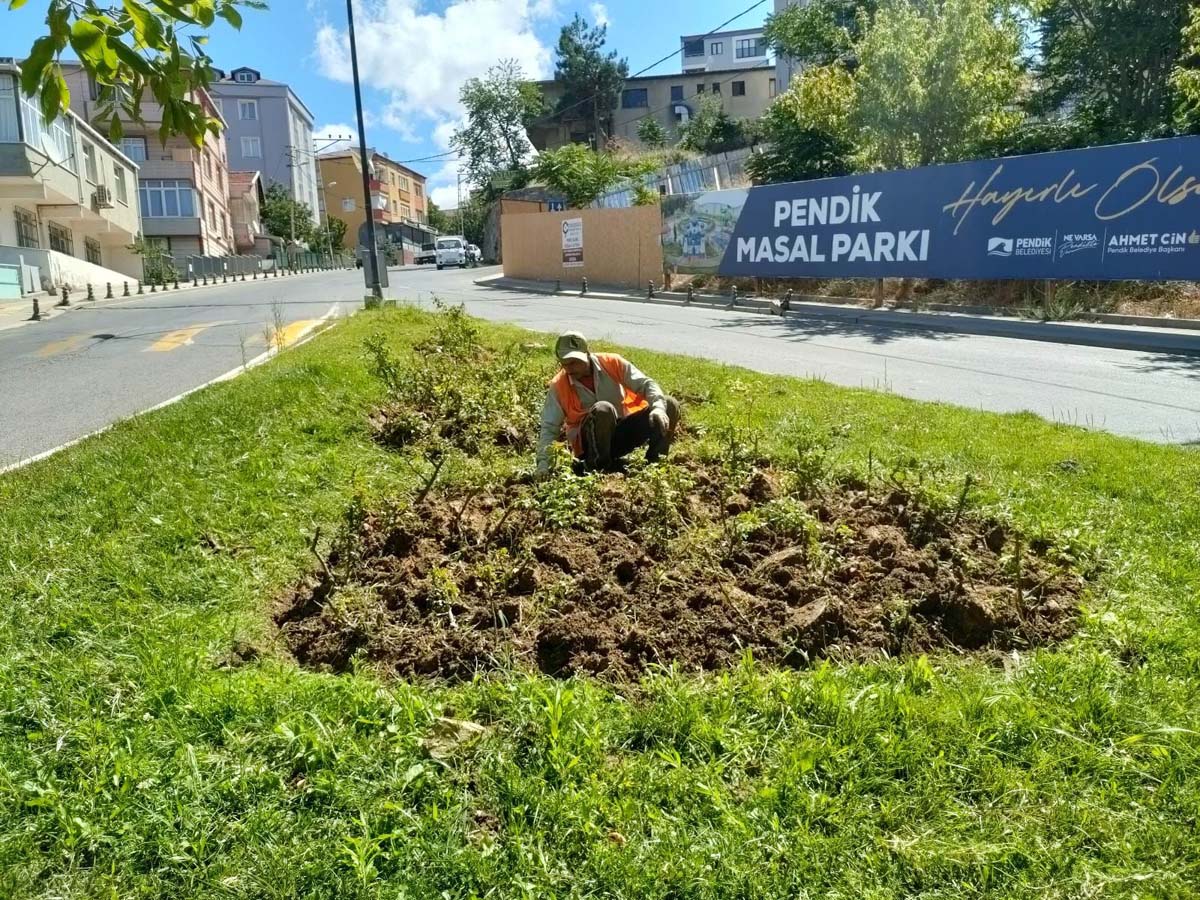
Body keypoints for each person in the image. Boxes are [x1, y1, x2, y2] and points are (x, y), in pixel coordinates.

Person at [537, 331, 680, 474]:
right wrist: (543, 464)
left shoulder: (612, 363)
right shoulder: (559, 385)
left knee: (669, 404)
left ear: (587, 354)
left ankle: (655, 465)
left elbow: (646, 384)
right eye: (564, 363)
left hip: (620, 434)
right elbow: (549, 427)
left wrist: (658, 408)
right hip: (587, 447)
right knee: (603, 408)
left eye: (574, 362)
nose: (569, 368)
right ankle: (598, 468)